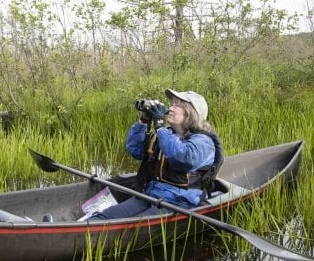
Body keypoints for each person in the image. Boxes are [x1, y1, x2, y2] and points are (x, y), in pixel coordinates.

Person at [88, 88, 224, 221]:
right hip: (152, 195)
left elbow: (183, 158)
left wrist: (159, 127)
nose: (170, 108)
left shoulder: (203, 141)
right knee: (104, 217)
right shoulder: (167, 135)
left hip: (179, 202)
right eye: (171, 104)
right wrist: (143, 121)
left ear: (191, 113)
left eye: (177, 105)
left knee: (132, 227)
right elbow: (135, 150)